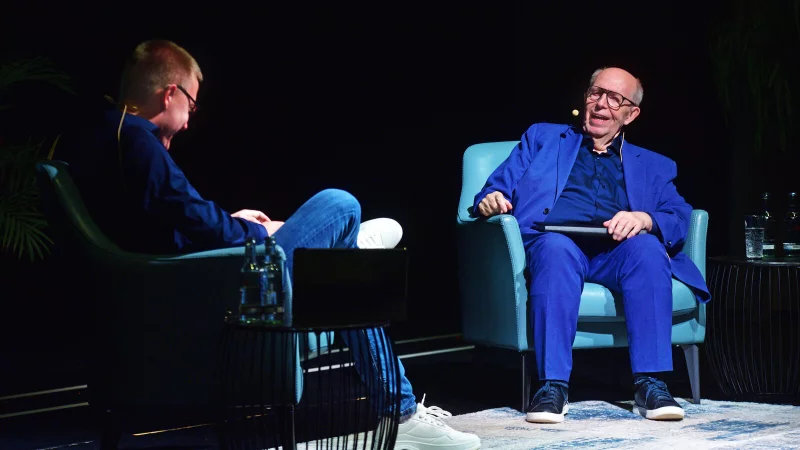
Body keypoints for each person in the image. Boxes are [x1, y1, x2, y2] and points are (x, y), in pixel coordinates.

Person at [59, 39, 480, 449]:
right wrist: (265, 233)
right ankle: (347, 264)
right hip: (234, 299)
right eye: (192, 103)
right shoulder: (137, 140)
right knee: (340, 205)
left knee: (346, 280)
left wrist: (232, 220)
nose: (189, 119)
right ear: (170, 93)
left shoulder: (98, 138)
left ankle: (341, 260)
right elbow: (189, 222)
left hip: (183, 293)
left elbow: (169, 222)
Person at [473, 67, 711, 424]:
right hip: (556, 242)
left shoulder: (655, 165)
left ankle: (651, 384)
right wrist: (490, 199)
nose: (601, 104)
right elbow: (494, 189)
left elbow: (679, 214)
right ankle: (551, 387)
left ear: (631, 114)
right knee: (554, 249)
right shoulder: (542, 138)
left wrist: (645, 219)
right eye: (595, 93)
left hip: (618, 251)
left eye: (615, 99)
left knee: (648, 249)